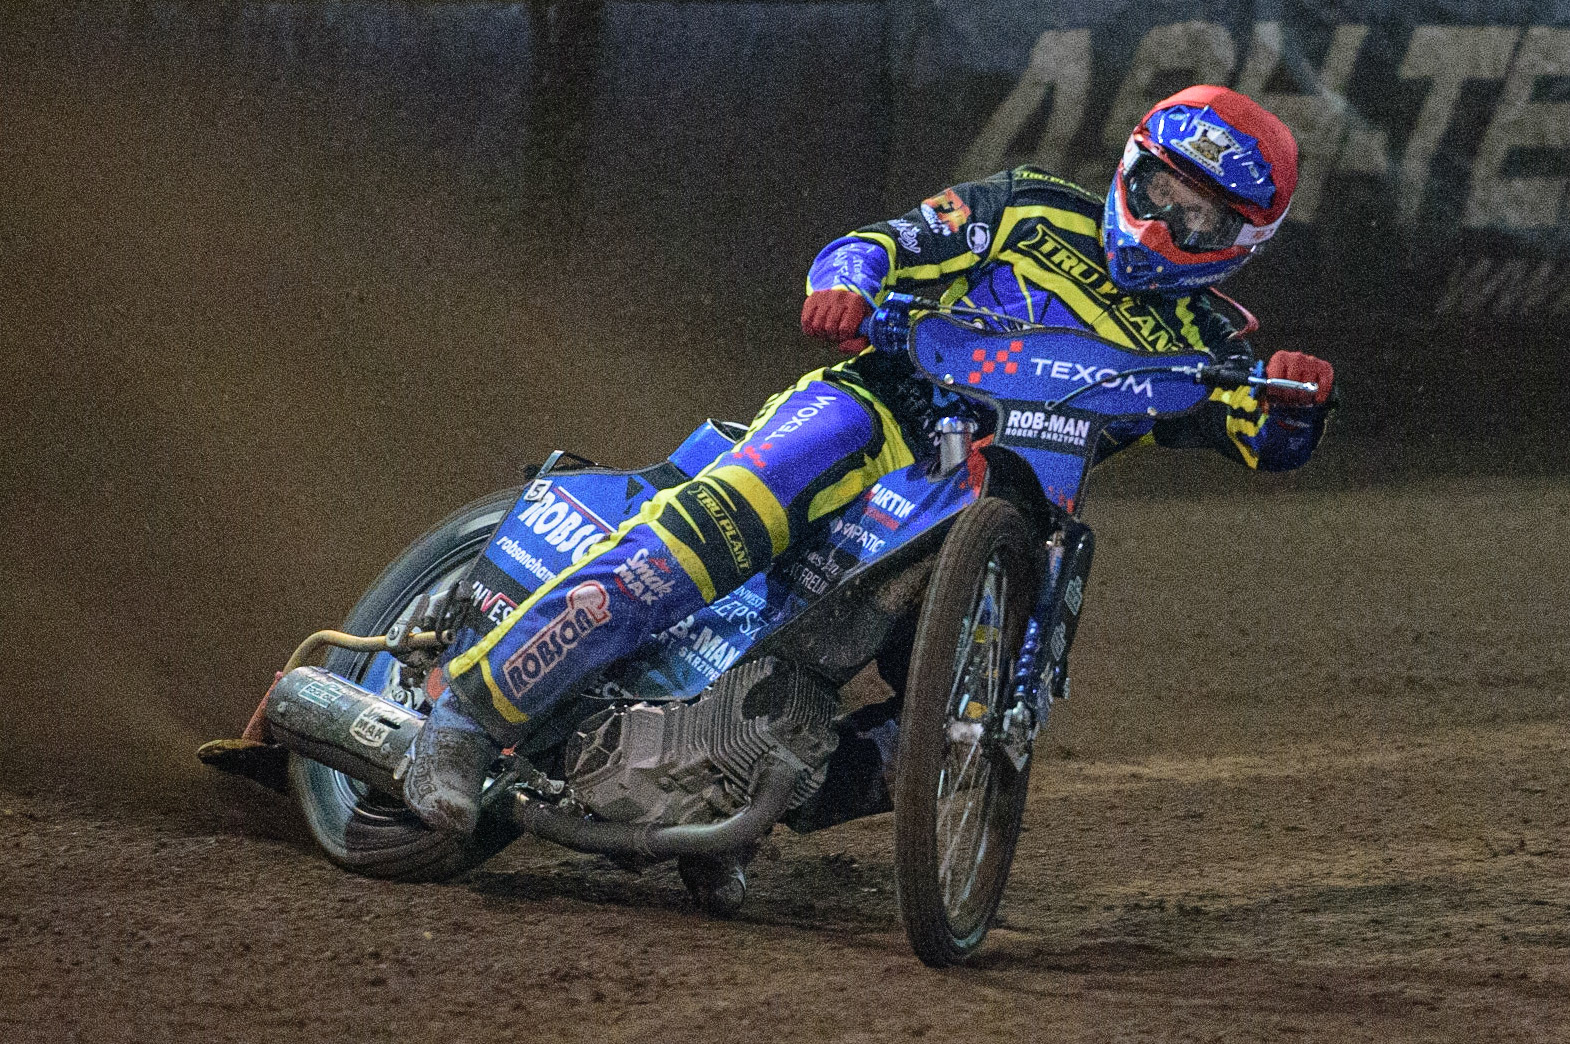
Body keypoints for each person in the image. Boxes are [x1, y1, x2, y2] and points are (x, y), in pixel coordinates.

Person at [402, 84, 1336, 835]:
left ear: (1244, 243)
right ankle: (467, 721)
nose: (1170, 221)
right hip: (878, 411)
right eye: (1161, 191)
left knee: (974, 721)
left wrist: (1295, 402)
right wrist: (848, 285)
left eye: (1202, 218)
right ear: (1131, 166)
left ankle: (741, 799)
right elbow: (884, 244)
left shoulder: (1210, 343)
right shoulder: (1027, 207)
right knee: (717, 524)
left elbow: (1262, 432)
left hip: (1013, 509)